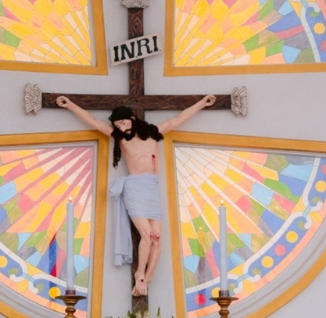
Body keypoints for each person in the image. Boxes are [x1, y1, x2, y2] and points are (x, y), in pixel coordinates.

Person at [56, 95, 216, 295]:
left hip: (151, 187)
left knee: (158, 238)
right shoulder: (121, 137)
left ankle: (146, 281)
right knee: (147, 235)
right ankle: (139, 274)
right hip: (134, 187)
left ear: (132, 117)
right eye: (118, 126)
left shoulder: (153, 132)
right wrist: (70, 105)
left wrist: (202, 103)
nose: (122, 128)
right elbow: (93, 121)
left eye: (123, 123)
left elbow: (177, 119)